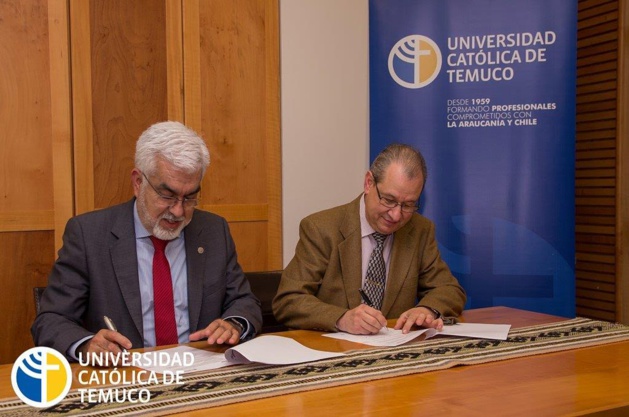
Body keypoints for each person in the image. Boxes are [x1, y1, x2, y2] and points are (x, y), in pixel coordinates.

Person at [32, 121, 262, 361]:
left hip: (200, 372)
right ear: (138, 182)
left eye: (190, 197)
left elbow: (244, 301)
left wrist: (233, 323)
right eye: (167, 195)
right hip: (126, 377)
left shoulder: (213, 231)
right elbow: (51, 321)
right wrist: (87, 345)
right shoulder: (89, 235)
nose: (178, 211)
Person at [273, 143, 466, 335]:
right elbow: (289, 300)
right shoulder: (321, 229)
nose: (396, 215)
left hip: (394, 353)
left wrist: (427, 310)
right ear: (368, 183)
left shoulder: (419, 230)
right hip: (334, 351)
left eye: (408, 205)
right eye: (389, 200)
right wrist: (341, 318)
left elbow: (449, 290)